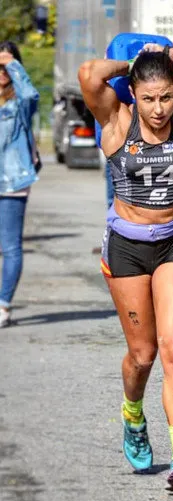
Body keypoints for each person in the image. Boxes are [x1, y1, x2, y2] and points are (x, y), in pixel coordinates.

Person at [78, 42, 173, 492]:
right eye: (148, 97)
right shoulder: (116, 119)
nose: (159, 109)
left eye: (165, 96)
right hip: (126, 247)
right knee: (142, 356)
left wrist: (170, 52)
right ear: (133, 94)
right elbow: (88, 73)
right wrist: (133, 62)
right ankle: (132, 412)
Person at [0, 41, 40, 329]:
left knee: (10, 246)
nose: (2, 71)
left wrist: (12, 64)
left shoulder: (21, 102)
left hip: (12, 181)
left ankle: (3, 305)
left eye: (6, 66)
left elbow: (30, 93)